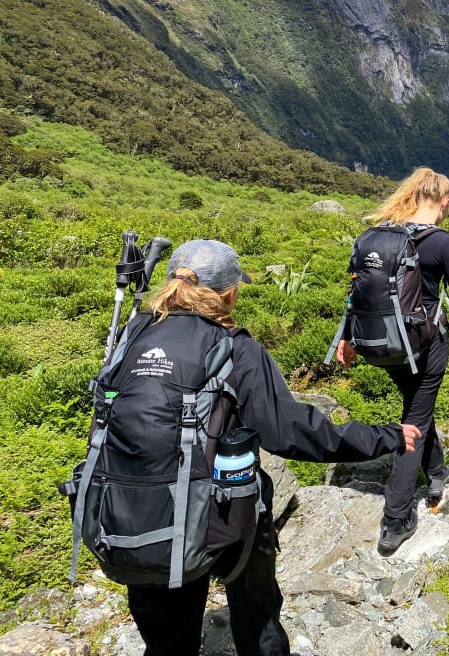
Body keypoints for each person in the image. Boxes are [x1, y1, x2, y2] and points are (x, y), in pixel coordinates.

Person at [125, 239, 421, 656]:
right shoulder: (236, 349)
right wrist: (383, 436)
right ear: (229, 293)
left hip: (132, 515)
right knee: (258, 618)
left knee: (166, 642)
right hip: (220, 516)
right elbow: (290, 433)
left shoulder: (131, 336)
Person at [336, 167, 449, 554]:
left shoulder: (378, 237)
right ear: (445, 202)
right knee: (415, 422)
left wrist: (345, 338)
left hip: (382, 344)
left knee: (417, 406)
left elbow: (356, 295)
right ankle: (396, 519)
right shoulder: (443, 243)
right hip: (425, 345)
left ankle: (437, 473)